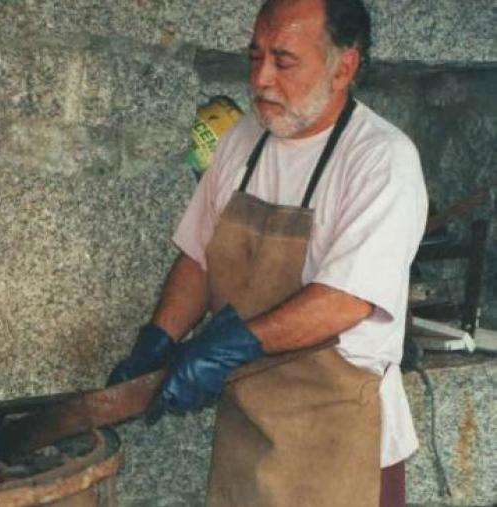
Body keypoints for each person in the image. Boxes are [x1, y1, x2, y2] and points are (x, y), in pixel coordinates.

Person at [107, 0, 428, 506]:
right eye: (253, 56)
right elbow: (199, 257)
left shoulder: (382, 160)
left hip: (338, 440)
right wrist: (158, 338)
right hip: (248, 432)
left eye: (283, 61)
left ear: (344, 65)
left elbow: (344, 301)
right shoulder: (242, 139)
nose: (260, 79)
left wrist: (225, 347)